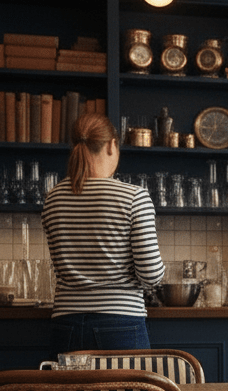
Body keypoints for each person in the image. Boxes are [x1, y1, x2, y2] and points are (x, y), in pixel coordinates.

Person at [42, 112, 165, 354]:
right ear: (111, 145)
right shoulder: (134, 197)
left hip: (66, 323)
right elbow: (151, 276)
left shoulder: (53, 197)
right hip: (121, 322)